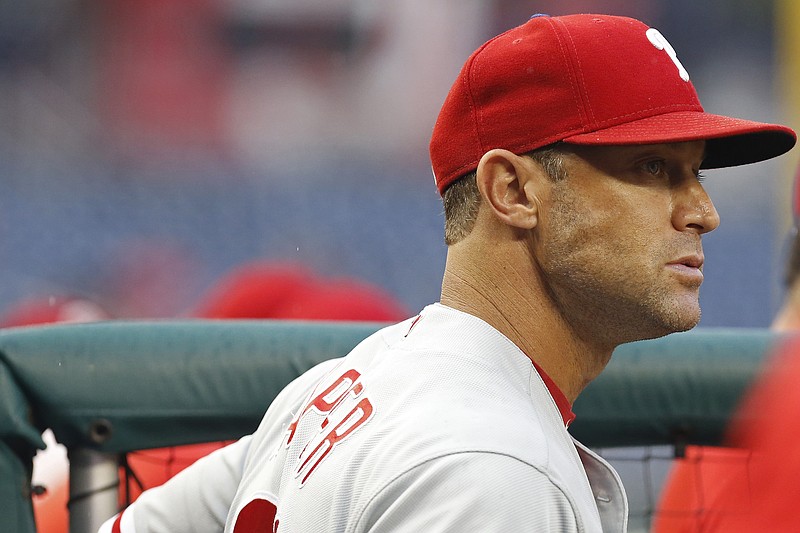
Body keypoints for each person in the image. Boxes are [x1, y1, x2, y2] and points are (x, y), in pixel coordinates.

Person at [99, 13, 796, 533]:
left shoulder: (345, 384)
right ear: (514, 192)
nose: (703, 211)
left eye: (695, 174)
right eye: (654, 170)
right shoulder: (494, 468)